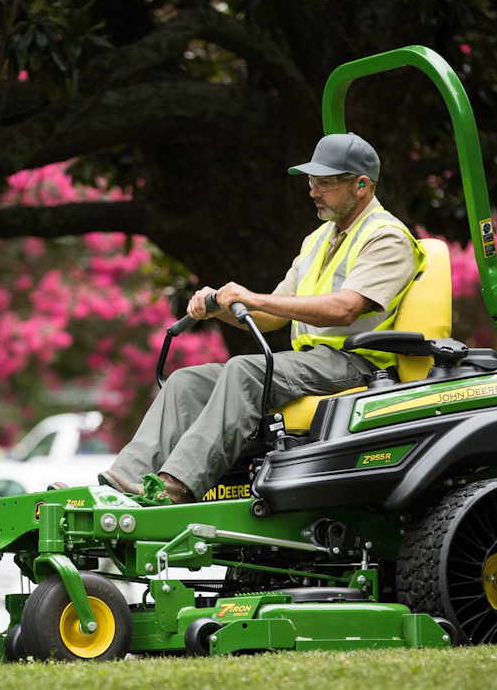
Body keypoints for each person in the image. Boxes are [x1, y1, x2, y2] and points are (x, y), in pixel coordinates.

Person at [99, 133, 426, 503]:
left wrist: (250, 296)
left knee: (244, 370)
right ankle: (121, 483)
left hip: (360, 364)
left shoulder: (386, 237)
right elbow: (269, 317)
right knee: (186, 381)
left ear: (361, 185)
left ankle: (175, 488)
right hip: (313, 362)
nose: (313, 191)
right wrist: (218, 307)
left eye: (324, 183)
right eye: (311, 181)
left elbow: (345, 309)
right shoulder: (318, 240)